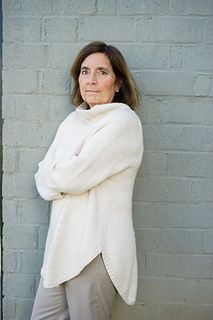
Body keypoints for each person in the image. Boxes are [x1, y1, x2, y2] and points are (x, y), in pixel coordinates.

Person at [31, 41, 143, 320]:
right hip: (60, 247)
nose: (91, 80)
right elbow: (42, 177)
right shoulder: (72, 122)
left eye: (102, 72)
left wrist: (62, 174)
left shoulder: (123, 122)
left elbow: (76, 176)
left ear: (117, 83)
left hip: (93, 250)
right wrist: (62, 174)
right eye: (84, 71)